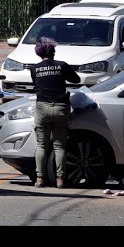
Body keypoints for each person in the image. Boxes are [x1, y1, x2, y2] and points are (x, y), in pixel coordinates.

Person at [30, 37, 81, 188]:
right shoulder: (62, 66)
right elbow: (76, 80)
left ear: (39, 53)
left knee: (42, 145)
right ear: (53, 51)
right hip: (60, 107)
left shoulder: (34, 69)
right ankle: (60, 179)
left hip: (42, 108)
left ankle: (40, 178)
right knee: (59, 146)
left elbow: (36, 84)